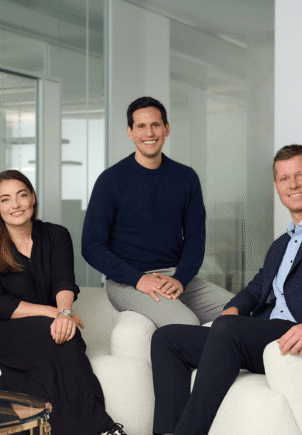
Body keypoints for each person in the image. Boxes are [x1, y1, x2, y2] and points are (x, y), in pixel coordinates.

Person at [150, 145, 302, 435]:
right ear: (277, 186)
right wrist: (234, 308)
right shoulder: (281, 244)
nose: (293, 185)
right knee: (167, 338)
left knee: (228, 330)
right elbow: (256, 288)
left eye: (301, 175)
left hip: (296, 333)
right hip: (261, 334)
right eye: (284, 178)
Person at [0, 170, 127, 435]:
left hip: (47, 324)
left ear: (32, 198)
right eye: (5, 199)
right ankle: (103, 428)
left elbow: (64, 281)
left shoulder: (57, 235)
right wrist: (55, 313)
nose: (16, 204)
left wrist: (65, 312)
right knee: (62, 337)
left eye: (22, 195)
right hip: (1, 328)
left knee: (66, 339)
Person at [82, 96, 231, 328]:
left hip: (176, 277)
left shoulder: (186, 178)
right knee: (185, 323)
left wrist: (180, 279)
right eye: (141, 126)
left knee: (241, 311)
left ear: (166, 128)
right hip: (128, 281)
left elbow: (195, 238)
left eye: (155, 125)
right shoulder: (110, 181)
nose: (149, 133)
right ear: (130, 132)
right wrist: (138, 279)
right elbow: (91, 246)